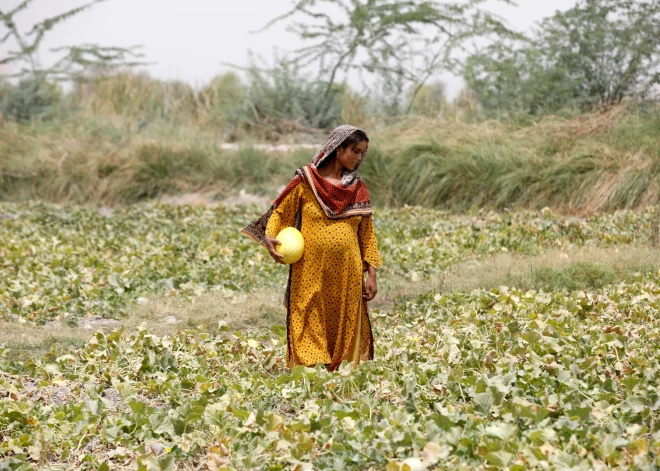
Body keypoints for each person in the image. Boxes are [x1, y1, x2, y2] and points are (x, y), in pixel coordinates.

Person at [241, 125, 383, 372]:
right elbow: (281, 211)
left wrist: (371, 272)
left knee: (341, 318)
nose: (360, 158)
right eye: (355, 151)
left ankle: (337, 367)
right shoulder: (306, 181)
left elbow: (366, 233)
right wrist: (269, 237)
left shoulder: (357, 187)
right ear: (338, 149)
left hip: (348, 272)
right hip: (309, 269)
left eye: (363, 153)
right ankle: (311, 368)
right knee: (307, 312)